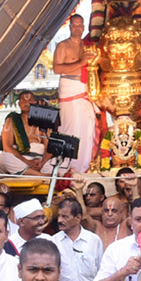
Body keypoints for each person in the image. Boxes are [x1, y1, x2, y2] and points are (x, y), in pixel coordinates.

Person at [51, 14, 99, 174]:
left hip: (85, 88)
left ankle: (85, 167)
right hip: (70, 88)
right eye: (74, 25)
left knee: (87, 128)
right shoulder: (62, 46)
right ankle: (69, 169)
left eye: (80, 25)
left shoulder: (87, 47)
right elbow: (57, 69)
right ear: (70, 27)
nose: (77, 28)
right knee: (71, 128)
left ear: (83, 27)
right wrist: (80, 63)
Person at [51, 197, 103, 281]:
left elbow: (101, 273)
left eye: (65, 217)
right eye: (59, 216)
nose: (60, 220)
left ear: (78, 218)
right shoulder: (53, 242)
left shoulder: (93, 240)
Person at [0, 92, 52, 175]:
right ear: (19, 104)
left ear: (35, 102)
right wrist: (27, 162)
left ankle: (30, 173)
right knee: (3, 158)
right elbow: (7, 147)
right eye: (23, 101)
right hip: (20, 159)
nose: (26, 103)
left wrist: (42, 163)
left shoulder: (43, 121)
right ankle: (41, 176)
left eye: (29, 100)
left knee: (63, 161)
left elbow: (49, 147)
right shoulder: (12, 120)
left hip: (40, 160)